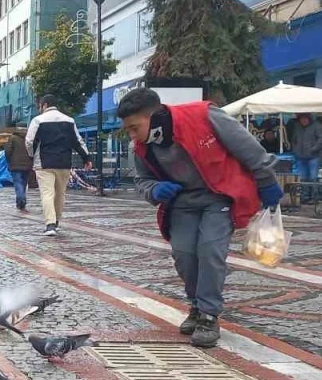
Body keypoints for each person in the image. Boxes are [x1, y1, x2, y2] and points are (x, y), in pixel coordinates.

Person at [116, 87, 282, 348]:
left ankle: (208, 314)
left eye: (135, 127)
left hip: (219, 197)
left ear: (155, 115)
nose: (132, 135)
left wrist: (266, 181)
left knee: (210, 251)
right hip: (181, 204)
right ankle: (195, 305)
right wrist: (154, 190)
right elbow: (142, 181)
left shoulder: (205, 115)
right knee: (184, 255)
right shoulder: (141, 147)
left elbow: (248, 148)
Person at [25, 94, 91, 235]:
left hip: (44, 163)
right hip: (64, 163)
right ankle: (56, 221)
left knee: (47, 193)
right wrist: (86, 158)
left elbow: (29, 141)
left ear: (45, 105)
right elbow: (78, 142)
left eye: (40, 106)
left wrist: (32, 155)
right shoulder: (69, 121)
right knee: (60, 194)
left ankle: (50, 225)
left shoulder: (38, 120)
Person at [287, 113, 322, 203]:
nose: (303, 120)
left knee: (313, 177)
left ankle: (314, 198)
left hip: (314, 156)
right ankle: (304, 197)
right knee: (303, 178)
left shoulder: (317, 125)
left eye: (305, 118)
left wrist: (314, 148)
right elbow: (293, 139)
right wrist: (295, 150)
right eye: (301, 119)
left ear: (309, 118)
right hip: (300, 156)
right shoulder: (297, 127)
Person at [3, 129, 33, 212]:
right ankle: (20, 202)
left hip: (15, 165)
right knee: (23, 183)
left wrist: (9, 160)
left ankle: (21, 199)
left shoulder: (13, 138)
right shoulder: (29, 138)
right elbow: (33, 150)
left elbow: (8, 151)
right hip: (27, 164)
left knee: (17, 182)